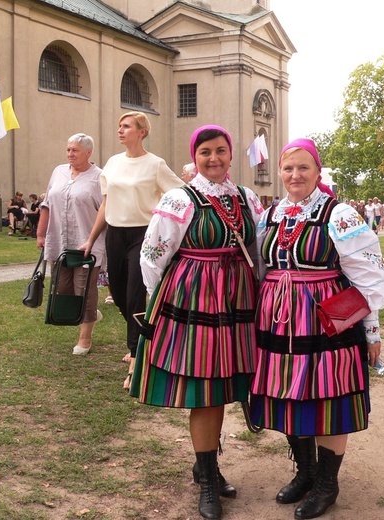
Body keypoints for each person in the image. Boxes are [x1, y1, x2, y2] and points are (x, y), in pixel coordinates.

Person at [249, 138, 384, 519]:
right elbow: (260, 268)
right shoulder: (271, 214)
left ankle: (328, 483)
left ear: (317, 171)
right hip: (278, 320)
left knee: (328, 397)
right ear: (280, 172)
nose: (295, 175)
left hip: (325, 321)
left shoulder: (339, 213)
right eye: (288, 168)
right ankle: (306, 472)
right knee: (289, 393)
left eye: (303, 168)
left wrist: (372, 331)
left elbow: (370, 276)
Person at [132, 125, 263, 519]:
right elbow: (153, 254)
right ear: (196, 156)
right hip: (196, 300)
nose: (214, 159)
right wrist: (161, 301)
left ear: (231, 154)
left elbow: (259, 249)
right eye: (205, 152)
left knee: (228, 386)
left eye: (221, 151)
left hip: (238, 300)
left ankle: (203, 466)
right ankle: (208, 479)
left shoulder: (247, 197)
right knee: (205, 391)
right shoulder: (180, 198)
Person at [82, 111, 184, 388]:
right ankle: (143, 336)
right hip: (115, 233)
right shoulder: (112, 164)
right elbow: (105, 204)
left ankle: (137, 358)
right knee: (119, 293)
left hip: (143, 234)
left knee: (136, 294)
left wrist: (166, 221)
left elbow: (181, 193)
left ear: (142, 132)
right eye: (119, 126)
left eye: (126, 126)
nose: (120, 130)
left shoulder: (156, 164)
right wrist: (91, 240)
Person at [37, 134, 105, 355]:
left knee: (84, 289)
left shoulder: (100, 177)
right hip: (59, 240)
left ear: (88, 152)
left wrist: (93, 239)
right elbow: (47, 203)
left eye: (75, 150)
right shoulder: (59, 171)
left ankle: (85, 338)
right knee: (63, 288)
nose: (70, 154)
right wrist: (40, 233)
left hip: (87, 243)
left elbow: (105, 212)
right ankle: (92, 312)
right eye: (68, 150)